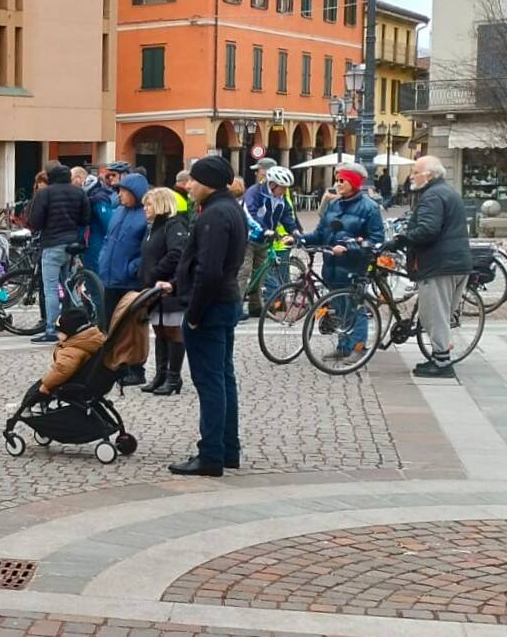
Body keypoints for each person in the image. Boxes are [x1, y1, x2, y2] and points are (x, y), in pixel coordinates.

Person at [157, 156, 246, 477]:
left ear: (207, 182)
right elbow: (207, 266)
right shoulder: (231, 209)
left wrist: (193, 314)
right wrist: (177, 283)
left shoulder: (214, 215)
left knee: (210, 383)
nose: (188, 185)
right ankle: (228, 449)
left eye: (193, 180)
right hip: (225, 302)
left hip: (209, 308)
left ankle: (210, 454)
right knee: (224, 379)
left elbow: (209, 270)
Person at [388, 156, 473, 378]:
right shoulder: (448, 192)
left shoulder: (432, 196)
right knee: (442, 314)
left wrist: (402, 239)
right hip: (458, 262)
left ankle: (442, 363)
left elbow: (428, 229)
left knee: (434, 315)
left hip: (439, 264)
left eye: (415, 172)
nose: (412, 176)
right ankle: (439, 356)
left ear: (429, 175)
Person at [300, 163, 385, 364]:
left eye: (341, 180)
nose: (337, 184)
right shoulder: (333, 205)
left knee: (355, 308)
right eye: (337, 180)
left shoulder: (369, 208)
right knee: (339, 308)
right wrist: (301, 239)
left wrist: (349, 248)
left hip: (354, 266)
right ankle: (343, 346)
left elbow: (376, 241)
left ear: (354, 182)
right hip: (332, 266)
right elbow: (321, 233)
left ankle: (358, 347)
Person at [27, 162, 91, 344]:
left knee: (51, 289)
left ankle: (52, 330)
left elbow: (35, 221)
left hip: (52, 244)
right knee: (69, 287)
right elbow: (86, 218)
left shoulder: (45, 193)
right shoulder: (79, 192)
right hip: (72, 245)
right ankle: (73, 326)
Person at [98, 172, 149, 385]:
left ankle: (135, 369)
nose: (119, 195)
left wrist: (132, 268)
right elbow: (109, 240)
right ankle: (117, 365)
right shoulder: (118, 212)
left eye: (124, 192)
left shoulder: (144, 216)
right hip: (111, 277)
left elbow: (146, 249)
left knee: (131, 327)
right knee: (111, 324)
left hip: (130, 281)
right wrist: (102, 260)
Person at [139, 188, 189, 395]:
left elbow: (176, 254)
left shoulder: (174, 225)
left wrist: (156, 273)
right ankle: (160, 374)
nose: (145, 208)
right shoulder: (153, 227)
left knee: (172, 330)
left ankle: (173, 377)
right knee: (159, 329)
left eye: (148, 204)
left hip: (169, 286)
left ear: (160, 204)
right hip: (154, 287)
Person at [239, 165, 299, 318]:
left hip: (265, 240)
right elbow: (248, 214)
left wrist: (295, 231)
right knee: (243, 272)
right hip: (248, 238)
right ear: (273, 184)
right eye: (283, 187)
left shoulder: (281, 198)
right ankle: (235, 308)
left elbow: (286, 216)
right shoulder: (255, 192)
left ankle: (256, 306)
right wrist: (263, 229)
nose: (285, 191)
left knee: (261, 274)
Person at [38, 307, 107, 395]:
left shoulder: (72, 350)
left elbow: (62, 370)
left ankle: (30, 406)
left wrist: (46, 385)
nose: (57, 335)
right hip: (92, 379)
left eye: (60, 332)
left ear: (70, 332)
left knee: (37, 388)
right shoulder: (91, 339)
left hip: (77, 382)